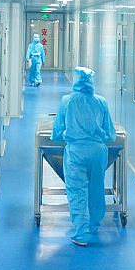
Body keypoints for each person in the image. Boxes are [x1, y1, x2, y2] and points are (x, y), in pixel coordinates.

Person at [51, 67, 116, 246]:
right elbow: (111, 135)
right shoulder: (101, 102)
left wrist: (67, 135)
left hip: (76, 153)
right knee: (96, 187)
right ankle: (94, 224)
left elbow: (56, 133)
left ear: (76, 81)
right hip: (98, 153)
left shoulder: (67, 101)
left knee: (77, 191)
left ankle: (81, 233)